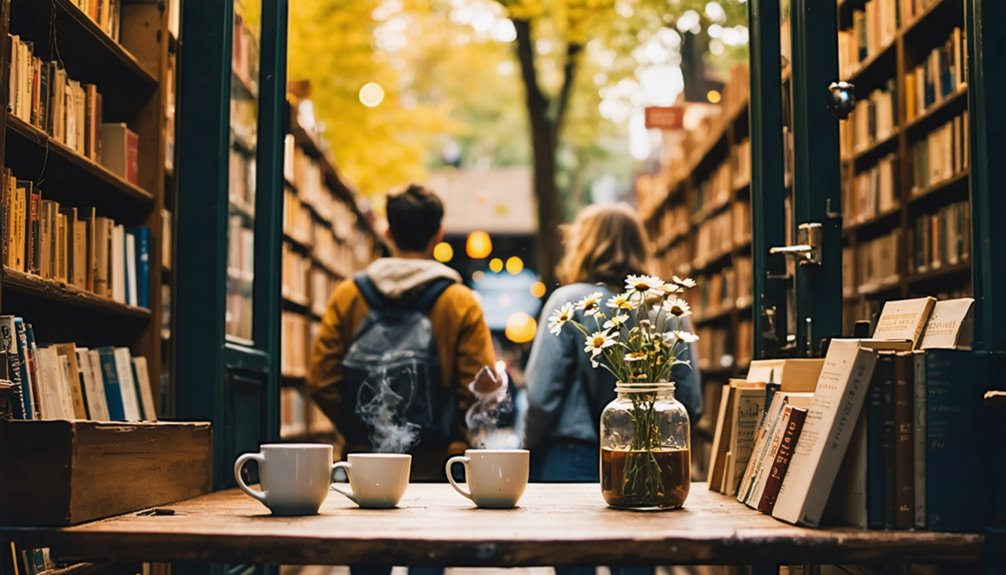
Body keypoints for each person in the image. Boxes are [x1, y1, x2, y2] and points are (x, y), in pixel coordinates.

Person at [521, 203, 703, 575]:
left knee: (573, 567)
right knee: (637, 566)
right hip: (649, 463)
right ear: (639, 247)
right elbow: (690, 400)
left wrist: (527, 445)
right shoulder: (665, 310)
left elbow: (541, 397)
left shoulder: (567, 302)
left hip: (570, 459)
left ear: (583, 246)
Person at [308, 183, 495, 483]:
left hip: (364, 466)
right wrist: (455, 435)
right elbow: (480, 386)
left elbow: (321, 381)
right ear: (438, 234)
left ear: (388, 233)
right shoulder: (460, 302)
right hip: (439, 468)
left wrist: (362, 430)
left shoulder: (348, 296)